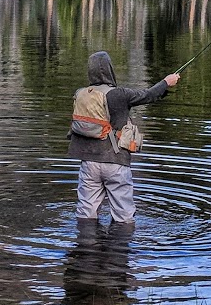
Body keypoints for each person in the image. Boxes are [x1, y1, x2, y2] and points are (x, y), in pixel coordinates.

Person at [68, 50, 179, 225]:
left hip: (88, 163)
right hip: (115, 162)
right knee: (124, 217)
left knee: (86, 214)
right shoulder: (120, 94)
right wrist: (166, 82)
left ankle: (85, 247)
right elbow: (149, 95)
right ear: (110, 70)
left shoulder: (81, 94)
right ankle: (119, 249)